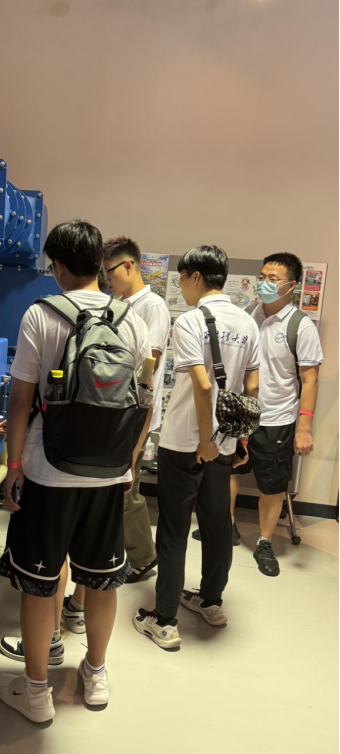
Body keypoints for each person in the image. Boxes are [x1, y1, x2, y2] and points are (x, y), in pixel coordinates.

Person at [0, 220, 153, 723]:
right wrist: (128, 464)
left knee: (40, 584)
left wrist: (14, 466)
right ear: (99, 266)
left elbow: (21, 400)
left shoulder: (41, 314)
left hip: (49, 470)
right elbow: (145, 399)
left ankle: (36, 692)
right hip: (108, 472)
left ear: (59, 266)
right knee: (102, 581)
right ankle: (96, 674)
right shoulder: (131, 318)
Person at [134, 246, 260, 650]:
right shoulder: (248, 322)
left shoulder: (190, 320)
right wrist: (236, 439)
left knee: (173, 529)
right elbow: (252, 388)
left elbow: (203, 387)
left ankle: (164, 620)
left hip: (185, 442)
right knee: (217, 524)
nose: (183, 287)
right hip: (224, 442)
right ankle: (211, 601)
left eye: (183, 278)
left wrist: (204, 441)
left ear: (195, 277)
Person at [193, 253, 323, 576]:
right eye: (262, 277)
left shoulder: (300, 326)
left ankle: (265, 542)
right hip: (241, 413)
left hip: (276, 419)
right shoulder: (250, 315)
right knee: (229, 472)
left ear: (291, 286)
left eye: (272, 279)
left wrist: (304, 427)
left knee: (272, 486)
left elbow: (310, 380)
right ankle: (228, 525)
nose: (264, 283)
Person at [103, 236, 170, 581]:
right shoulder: (119, 303)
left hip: (135, 413)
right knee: (116, 487)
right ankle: (122, 551)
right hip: (115, 408)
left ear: (129, 265)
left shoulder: (151, 305)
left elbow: (149, 364)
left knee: (127, 488)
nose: (107, 279)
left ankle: (143, 558)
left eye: (110, 271)